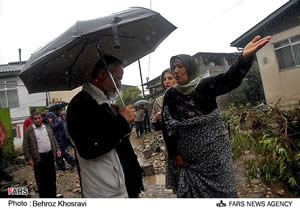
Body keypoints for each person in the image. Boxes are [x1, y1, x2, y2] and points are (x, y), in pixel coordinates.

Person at [161, 35, 272, 198]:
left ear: (190, 68)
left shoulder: (204, 86)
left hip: (216, 160)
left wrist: (243, 58)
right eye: (173, 67)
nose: (176, 71)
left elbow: (230, 79)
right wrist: (174, 155)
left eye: (180, 66)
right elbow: (167, 126)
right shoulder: (171, 95)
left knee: (223, 195)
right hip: (188, 164)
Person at [67, 55, 143, 198]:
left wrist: (121, 120)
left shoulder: (103, 103)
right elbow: (89, 148)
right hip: (102, 191)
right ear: (102, 74)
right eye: (117, 79)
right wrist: (120, 121)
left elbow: (115, 137)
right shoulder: (81, 105)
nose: (119, 85)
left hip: (119, 185)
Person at [22, 112, 61, 198]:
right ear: (32, 120)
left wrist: (57, 149)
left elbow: (53, 139)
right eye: (35, 119)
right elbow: (26, 146)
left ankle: (53, 196)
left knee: (52, 177)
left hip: (50, 156)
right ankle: (44, 198)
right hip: (38, 158)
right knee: (41, 180)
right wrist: (29, 159)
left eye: (39, 118)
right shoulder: (29, 131)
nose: (38, 120)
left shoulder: (46, 127)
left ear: (41, 118)